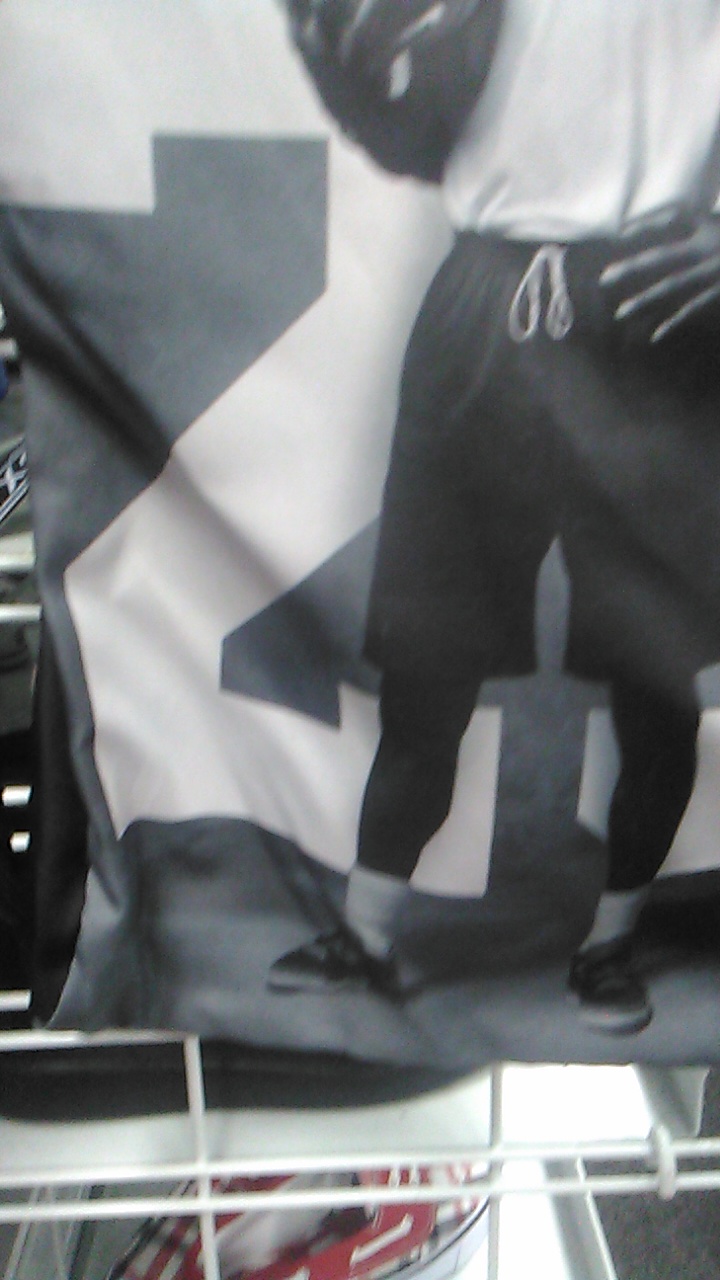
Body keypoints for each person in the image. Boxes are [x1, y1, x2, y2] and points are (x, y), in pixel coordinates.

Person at [270, 0, 720, 1034]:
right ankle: (367, 935)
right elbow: (411, 137)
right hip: (486, 296)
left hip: (651, 305)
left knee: (656, 676)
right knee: (428, 662)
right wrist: (330, 62)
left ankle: (609, 945)